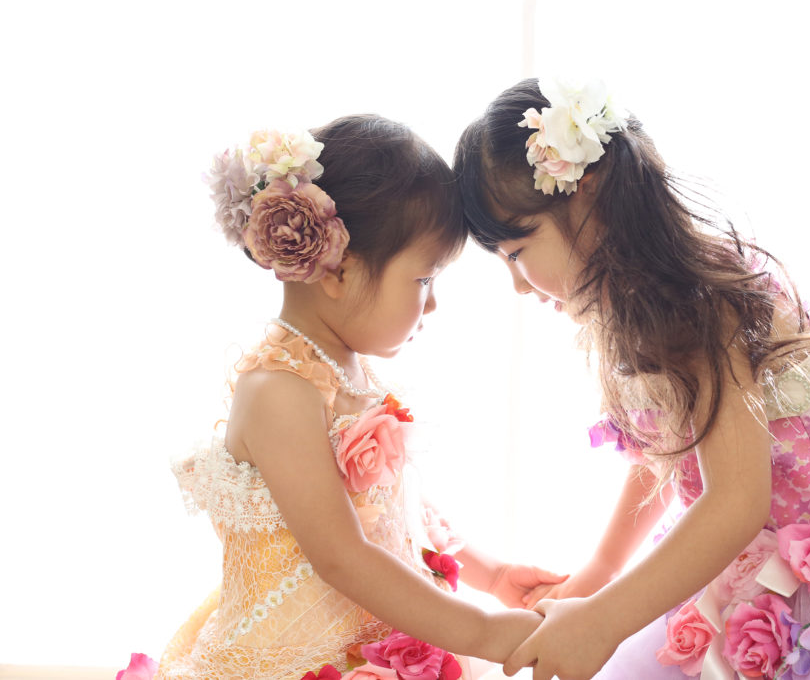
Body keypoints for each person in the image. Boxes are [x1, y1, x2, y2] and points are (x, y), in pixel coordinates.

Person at [453, 78, 810, 680]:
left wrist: (603, 621)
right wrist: (600, 571)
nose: (518, 284)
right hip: (737, 572)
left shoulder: (698, 302)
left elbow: (735, 503)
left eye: (517, 252)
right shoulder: (642, 303)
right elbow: (667, 452)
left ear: (586, 191)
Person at [131, 116, 566, 680]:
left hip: (368, 639)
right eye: (424, 280)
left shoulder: (342, 367)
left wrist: (492, 574)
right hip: (299, 658)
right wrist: (480, 631)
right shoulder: (278, 391)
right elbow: (342, 553)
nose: (432, 304)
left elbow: (393, 509)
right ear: (338, 270)